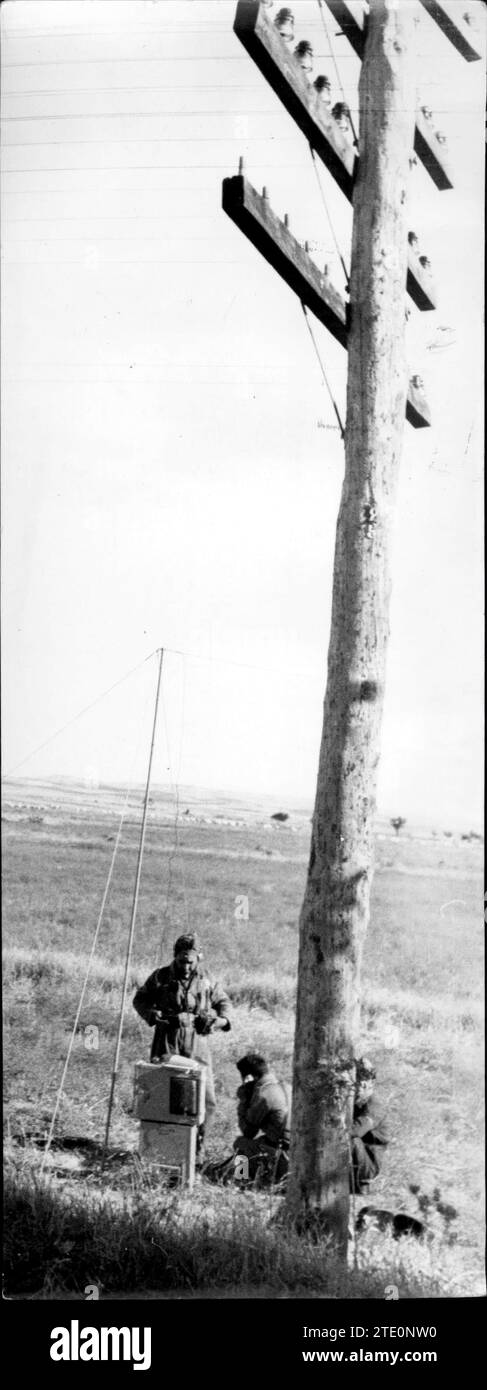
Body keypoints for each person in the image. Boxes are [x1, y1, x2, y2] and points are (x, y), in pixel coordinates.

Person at [132, 933, 231, 1156]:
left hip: (197, 1040)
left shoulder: (207, 979)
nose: (186, 967)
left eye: (190, 962)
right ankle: (161, 1149)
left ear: (198, 960)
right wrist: (151, 1014)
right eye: (181, 961)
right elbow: (140, 999)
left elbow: (223, 1002)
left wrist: (219, 1020)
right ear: (175, 957)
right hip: (168, 1038)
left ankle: (197, 1150)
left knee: (205, 1098)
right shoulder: (160, 977)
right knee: (163, 1093)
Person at [233, 1053, 291, 1185]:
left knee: (240, 1144)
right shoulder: (287, 1087)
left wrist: (244, 1100)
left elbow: (248, 1131)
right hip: (297, 1151)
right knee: (262, 1141)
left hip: (283, 1156)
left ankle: (241, 1181)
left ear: (248, 1077)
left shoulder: (263, 1094)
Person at [351, 1057, 388, 1194]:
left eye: (360, 1083)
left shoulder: (374, 1105)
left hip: (369, 1163)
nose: (356, 1088)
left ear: (369, 1084)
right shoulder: (355, 1103)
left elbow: (356, 1130)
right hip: (359, 1158)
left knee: (348, 1139)